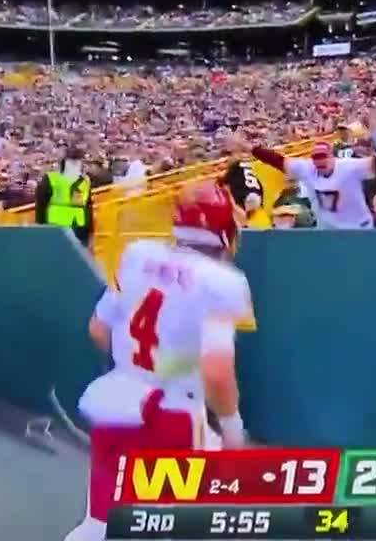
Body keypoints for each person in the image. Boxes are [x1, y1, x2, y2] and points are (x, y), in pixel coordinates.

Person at [63, 182, 253, 541]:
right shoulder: (220, 281)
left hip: (115, 401)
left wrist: (138, 368)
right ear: (225, 233)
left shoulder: (137, 256)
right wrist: (231, 426)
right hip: (170, 414)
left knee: (101, 520)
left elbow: (98, 330)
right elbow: (216, 370)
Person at [250, 139, 376, 229]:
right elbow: (277, 160)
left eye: (324, 157)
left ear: (332, 157)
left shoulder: (349, 167)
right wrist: (251, 148)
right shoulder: (308, 168)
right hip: (328, 229)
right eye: (316, 158)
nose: (320, 162)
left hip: (358, 227)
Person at [35, 147, 94, 249]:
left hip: (79, 228)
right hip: (56, 227)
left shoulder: (85, 180)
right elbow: (41, 204)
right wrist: (41, 227)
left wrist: (90, 232)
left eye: (78, 161)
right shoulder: (51, 178)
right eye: (72, 161)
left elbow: (88, 206)